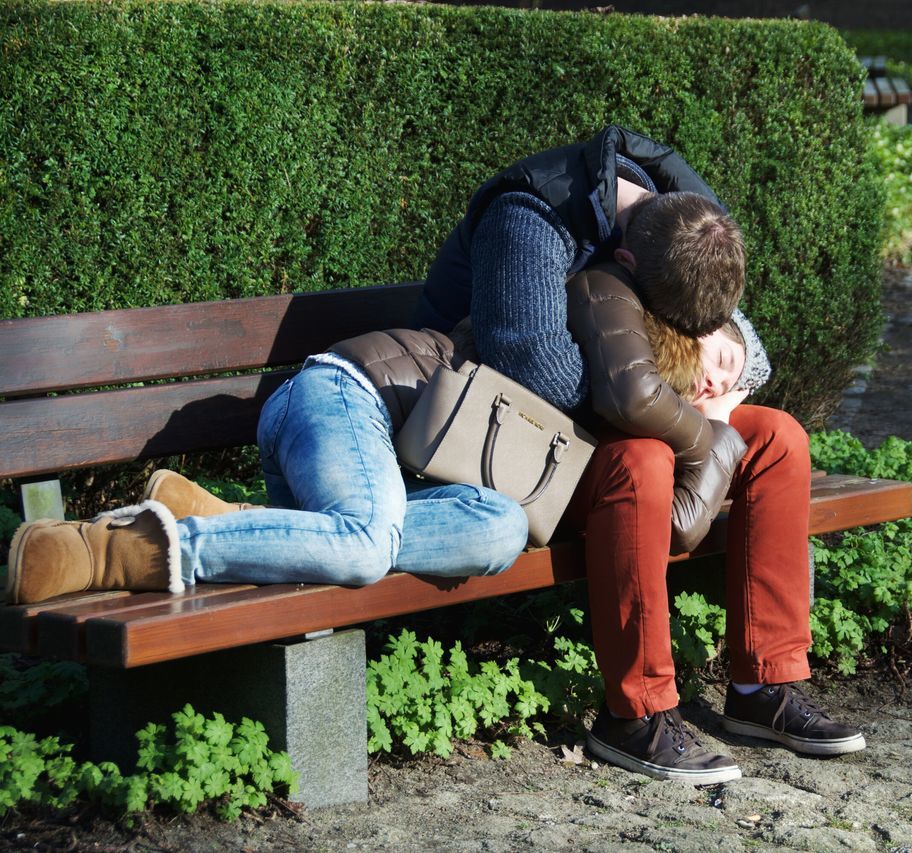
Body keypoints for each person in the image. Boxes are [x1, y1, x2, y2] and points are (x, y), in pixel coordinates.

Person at [560, 263, 867, 786]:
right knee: (645, 463)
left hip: (674, 412)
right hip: (587, 433)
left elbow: (738, 340)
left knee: (778, 437)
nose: (721, 380)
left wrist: (721, 403)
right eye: (721, 361)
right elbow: (680, 525)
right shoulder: (560, 235)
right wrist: (711, 424)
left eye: (733, 377)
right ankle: (635, 714)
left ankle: (762, 688)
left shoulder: (674, 253)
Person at [6, 331, 531, 604]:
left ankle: (247, 520)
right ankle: (115, 550)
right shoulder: (575, 299)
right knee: (367, 546)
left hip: (358, 464)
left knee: (503, 528)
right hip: (342, 394)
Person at [413, 125, 746, 414]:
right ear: (624, 260)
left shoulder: (698, 228)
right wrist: (675, 414)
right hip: (437, 385)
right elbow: (542, 374)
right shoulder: (528, 220)